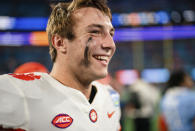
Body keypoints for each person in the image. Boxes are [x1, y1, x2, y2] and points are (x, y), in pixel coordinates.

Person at [0, 0, 121, 131]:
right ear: (60, 42)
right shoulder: (17, 92)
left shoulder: (110, 97)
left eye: (111, 34)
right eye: (95, 32)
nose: (111, 44)